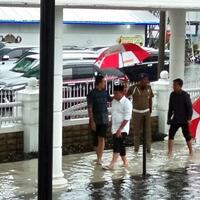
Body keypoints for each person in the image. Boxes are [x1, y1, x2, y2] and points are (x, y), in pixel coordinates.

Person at [103, 79, 132, 170]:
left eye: (116, 93)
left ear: (122, 93)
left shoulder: (127, 103)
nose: (114, 95)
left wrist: (120, 129)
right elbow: (114, 113)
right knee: (121, 145)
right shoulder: (114, 101)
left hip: (123, 128)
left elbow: (127, 118)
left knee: (117, 144)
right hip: (114, 127)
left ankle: (112, 164)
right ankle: (125, 161)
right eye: (114, 93)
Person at [87, 75, 112, 165]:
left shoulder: (105, 92)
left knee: (102, 138)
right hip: (95, 119)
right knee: (95, 141)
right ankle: (98, 157)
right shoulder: (92, 94)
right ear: (99, 83)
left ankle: (100, 158)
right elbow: (90, 108)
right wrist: (92, 121)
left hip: (104, 119)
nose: (105, 83)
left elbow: (112, 99)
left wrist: (124, 87)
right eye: (104, 82)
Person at [126, 73, 154, 154]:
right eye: (144, 80)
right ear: (140, 81)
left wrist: (150, 109)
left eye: (147, 80)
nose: (146, 82)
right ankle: (136, 149)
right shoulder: (133, 88)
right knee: (136, 132)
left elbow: (150, 99)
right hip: (136, 113)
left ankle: (148, 149)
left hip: (146, 112)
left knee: (148, 132)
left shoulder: (149, 88)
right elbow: (125, 97)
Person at [167, 78, 193, 156]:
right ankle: (170, 152)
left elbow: (190, 108)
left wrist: (189, 119)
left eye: (175, 85)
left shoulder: (185, 95)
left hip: (184, 119)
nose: (173, 86)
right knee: (171, 134)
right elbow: (170, 107)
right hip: (175, 119)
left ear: (180, 86)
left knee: (187, 136)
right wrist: (169, 118)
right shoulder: (172, 94)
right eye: (173, 85)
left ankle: (191, 151)